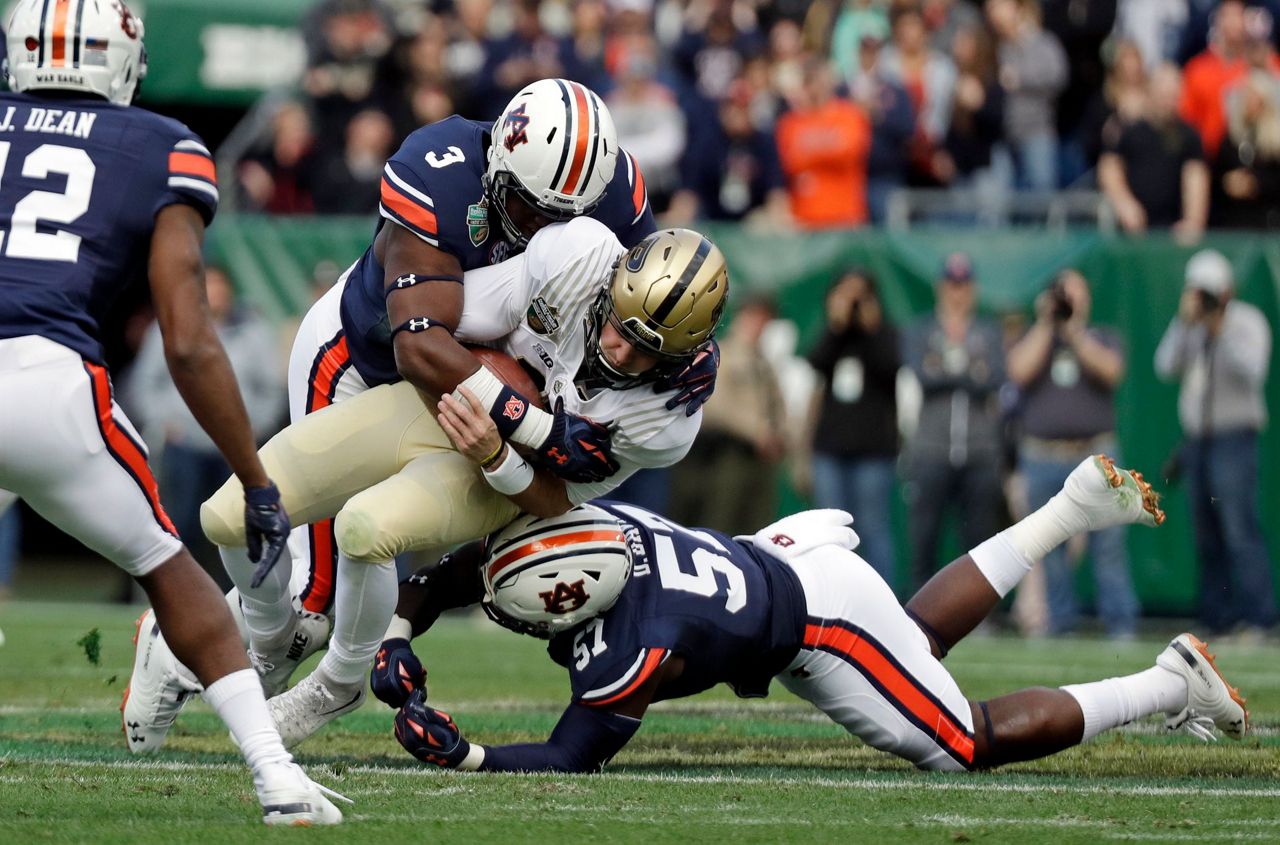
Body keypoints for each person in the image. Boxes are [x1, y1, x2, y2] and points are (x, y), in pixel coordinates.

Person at [128, 223, 729, 751]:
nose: (619, 349)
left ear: (681, 357)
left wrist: (498, 453)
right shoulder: (575, 258)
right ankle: (268, 640)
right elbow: (438, 327)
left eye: (645, 350)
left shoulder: (666, 420)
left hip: (497, 475)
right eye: (619, 324)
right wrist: (521, 413)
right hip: (433, 400)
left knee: (364, 528)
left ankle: (337, 684)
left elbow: (554, 501)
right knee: (226, 515)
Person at [0, 0, 340, 825]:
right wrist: (255, 477)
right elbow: (187, 340)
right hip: (45, 381)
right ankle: (277, 777)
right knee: (168, 566)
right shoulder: (162, 145)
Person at [375, 456, 1248, 776]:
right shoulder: (604, 527)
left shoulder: (636, 649)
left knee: (962, 739)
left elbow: (572, 754)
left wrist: (470, 754)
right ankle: (1069, 509)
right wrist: (398, 631)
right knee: (916, 644)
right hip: (788, 555)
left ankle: (1169, 681)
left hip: (819, 624)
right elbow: (465, 573)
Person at [125, 266, 284, 590]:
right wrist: (164, 422)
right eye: (207, 284)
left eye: (219, 285)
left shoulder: (252, 331)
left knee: (236, 523)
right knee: (180, 520)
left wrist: (253, 428)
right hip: (183, 441)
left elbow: (271, 389)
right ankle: (177, 592)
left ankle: (238, 594)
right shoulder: (170, 326)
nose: (214, 292)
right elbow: (143, 384)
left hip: (234, 446)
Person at [1006, 270, 1138, 638]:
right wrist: (1045, 323)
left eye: (1075, 293)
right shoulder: (1037, 338)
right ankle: (1060, 624)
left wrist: (1074, 332)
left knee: (1108, 544)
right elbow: (1018, 371)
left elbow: (1112, 371)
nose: (1069, 300)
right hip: (1043, 455)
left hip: (1095, 454)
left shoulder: (1101, 336)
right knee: (1050, 547)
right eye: (1063, 293)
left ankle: (1120, 624)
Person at [1155, 250, 1275, 640]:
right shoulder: (1189, 327)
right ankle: (1216, 617)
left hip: (1234, 437)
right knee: (1205, 532)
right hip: (1197, 442)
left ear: (1226, 292)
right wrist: (1183, 323)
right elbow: (1165, 365)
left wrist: (1219, 329)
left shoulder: (1247, 322)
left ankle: (1260, 618)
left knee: (1239, 529)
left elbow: (1253, 370)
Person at [900, 253, 1006, 591]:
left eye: (963, 284)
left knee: (979, 542)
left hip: (979, 451)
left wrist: (945, 370)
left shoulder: (988, 331)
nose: (957, 292)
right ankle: (917, 610)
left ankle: (977, 612)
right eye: (952, 284)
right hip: (931, 449)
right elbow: (922, 375)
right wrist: (969, 372)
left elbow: (994, 378)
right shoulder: (922, 329)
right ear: (941, 287)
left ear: (972, 289)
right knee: (924, 538)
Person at [799, 269, 900, 587]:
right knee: (830, 531)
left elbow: (892, 366)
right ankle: (831, 597)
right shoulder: (834, 335)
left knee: (873, 527)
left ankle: (882, 598)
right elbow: (815, 362)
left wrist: (872, 328)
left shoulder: (885, 334)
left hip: (874, 449)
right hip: (830, 448)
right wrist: (836, 324)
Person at [671, 296, 787, 535]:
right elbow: (716, 405)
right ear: (742, 317)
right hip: (726, 452)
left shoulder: (764, 361)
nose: (760, 325)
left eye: (765, 319)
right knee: (722, 521)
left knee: (758, 525)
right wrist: (757, 432)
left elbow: (777, 405)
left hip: (761, 457)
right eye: (755, 317)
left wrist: (779, 435)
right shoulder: (723, 353)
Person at [1098, 63, 1208, 242]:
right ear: (1151, 91)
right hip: (1132, 230)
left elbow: (1195, 176)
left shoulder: (1189, 135)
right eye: (1164, 96)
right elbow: (1110, 167)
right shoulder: (1129, 128)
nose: (1168, 102)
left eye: (1173, 97)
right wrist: (1124, 203)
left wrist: (1193, 220)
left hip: (1172, 232)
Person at [775, 58, 872, 228]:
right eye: (809, 80)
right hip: (804, 217)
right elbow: (790, 161)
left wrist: (810, 153)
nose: (815, 86)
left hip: (845, 217)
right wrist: (828, 147)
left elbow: (850, 152)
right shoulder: (790, 122)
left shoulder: (849, 115)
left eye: (819, 79)